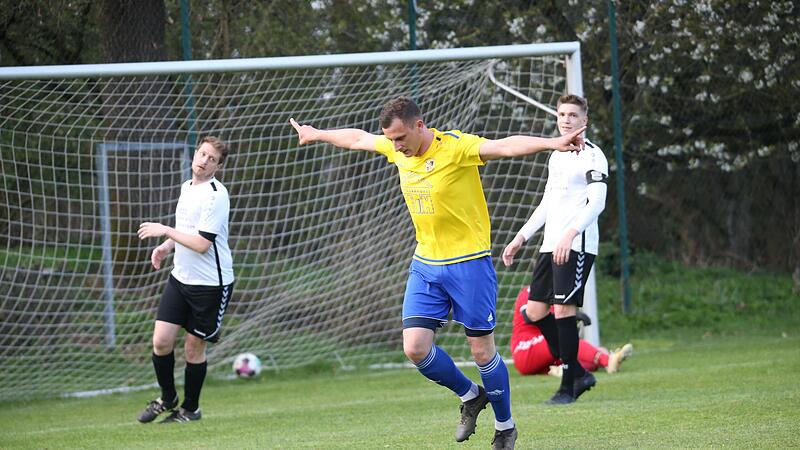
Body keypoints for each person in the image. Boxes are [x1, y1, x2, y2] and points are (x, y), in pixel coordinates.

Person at [290, 96, 585, 450]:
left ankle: (505, 427)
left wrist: (553, 143)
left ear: (420, 125)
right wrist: (318, 133)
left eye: (400, 138)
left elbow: (504, 146)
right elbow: (358, 138)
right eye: (391, 140)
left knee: (481, 352)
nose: (396, 146)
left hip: (470, 264)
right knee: (415, 347)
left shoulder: (457, 147)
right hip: (426, 263)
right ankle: (471, 395)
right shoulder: (397, 149)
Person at [502, 94, 608, 405]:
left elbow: (597, 202)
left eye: (573, 115)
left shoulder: (593, 156)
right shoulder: (556, 155)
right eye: (562, 114)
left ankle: (567, 387)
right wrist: (521, 237)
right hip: (551, 245)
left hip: (576, 244)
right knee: (533, 312)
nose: (566, 119)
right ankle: (577, 371)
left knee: (563, 310)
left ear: (584, 121)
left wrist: (570, 234)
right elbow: (548, 203)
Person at [136, 136, 234, 423]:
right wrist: (166, 248)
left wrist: (165, 231)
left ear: (218, 167)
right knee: (161, 341)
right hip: (181, 279)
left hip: (211, 286)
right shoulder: (186, 187)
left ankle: (190, 409)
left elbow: (202, 244)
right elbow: (186, 230)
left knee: (193, 347)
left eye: (211, 159)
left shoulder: (217, 195)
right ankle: (167, 398)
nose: (204, 161)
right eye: (202, 154)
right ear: (195, 154)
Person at [511, 286, 632, 376]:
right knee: (563, 336)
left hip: (549, 352)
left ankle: (563, 369)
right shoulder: (532, 290)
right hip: (526, 349)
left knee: (591, 357)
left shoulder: (560, 293)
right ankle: (607, 360)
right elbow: (529, 316)